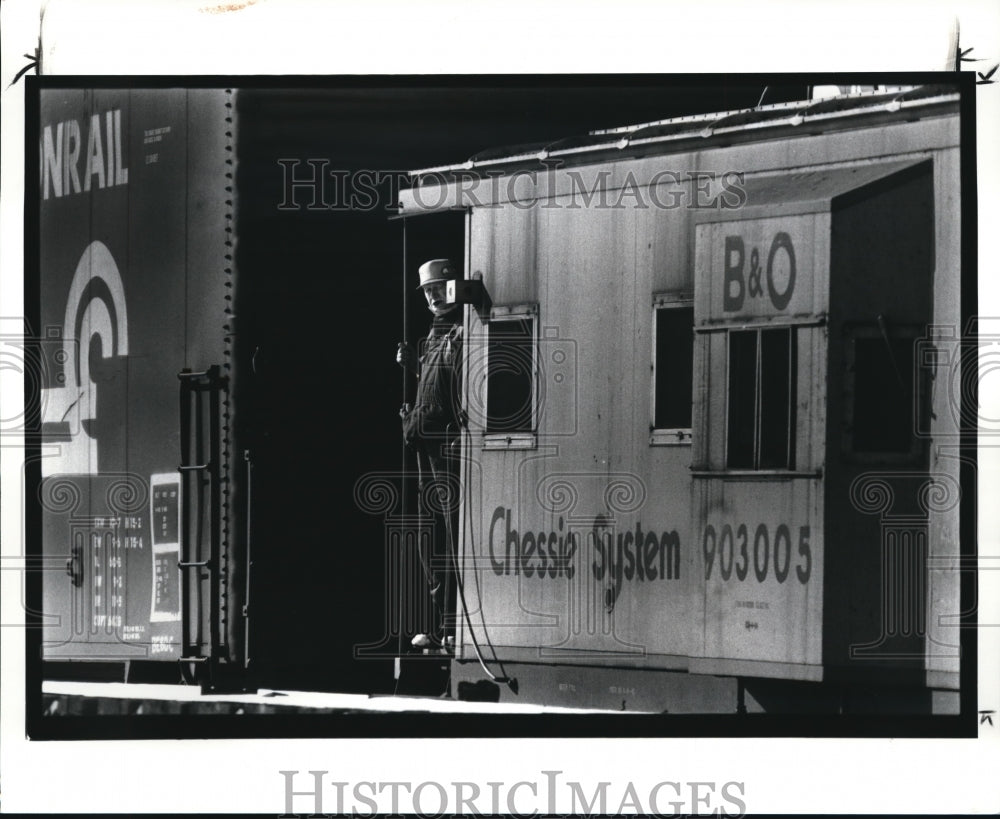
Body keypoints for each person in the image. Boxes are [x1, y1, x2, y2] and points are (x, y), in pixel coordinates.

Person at [397, 258, 464, 652]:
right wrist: (416, 370)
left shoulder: (460, 333)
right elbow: (438, 387)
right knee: (433, 539)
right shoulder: (436, 335)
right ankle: (443, 624)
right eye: (427, 291)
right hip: (427, 448)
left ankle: (453, 626)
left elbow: (449, 395)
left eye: (439, 287)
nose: (433, 295)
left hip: (444, 450)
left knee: (450, 537)